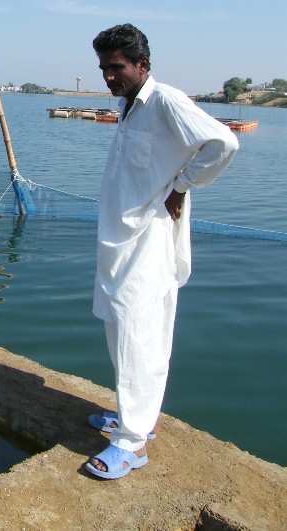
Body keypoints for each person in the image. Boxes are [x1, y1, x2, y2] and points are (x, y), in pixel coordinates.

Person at [85, 24, 238, 480]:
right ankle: (133, 416)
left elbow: (222, 143)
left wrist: (182, 186)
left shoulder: (166, 101)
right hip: (118, 237)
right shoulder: (129, 106)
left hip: (148, 241)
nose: (108, 76)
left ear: (141, 66)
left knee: (140, 336)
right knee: (119, 329)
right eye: (104, 68)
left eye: (117, 67)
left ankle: (132, 444)